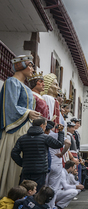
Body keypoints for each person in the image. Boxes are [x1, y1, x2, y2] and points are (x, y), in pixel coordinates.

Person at [0, 55, 41, 198]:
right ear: (20, 66)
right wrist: (28, 112)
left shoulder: (27, 88)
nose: (32, 69)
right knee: (14, 165)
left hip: (25, 128)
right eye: (30, 65)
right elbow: (9, 107)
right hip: (15, 129)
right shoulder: (12, 82)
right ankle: (9, 195)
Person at [11, 117, 64, 192]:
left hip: (26, 169)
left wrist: (22, 163)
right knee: (37, 192)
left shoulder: (22, 138)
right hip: (40, 171)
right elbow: (59, 144)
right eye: (45, 125)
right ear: (42, 125)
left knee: (24, 191)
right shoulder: (45, 138)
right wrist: (61, 132)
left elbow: (14, 153)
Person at [45, 123, 71, 209]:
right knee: (53, 188)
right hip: (56, 162)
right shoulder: (56, 135)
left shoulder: (42, 136)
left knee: (43, 187)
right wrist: (62, 153)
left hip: (45, 162)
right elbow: (68, 143)